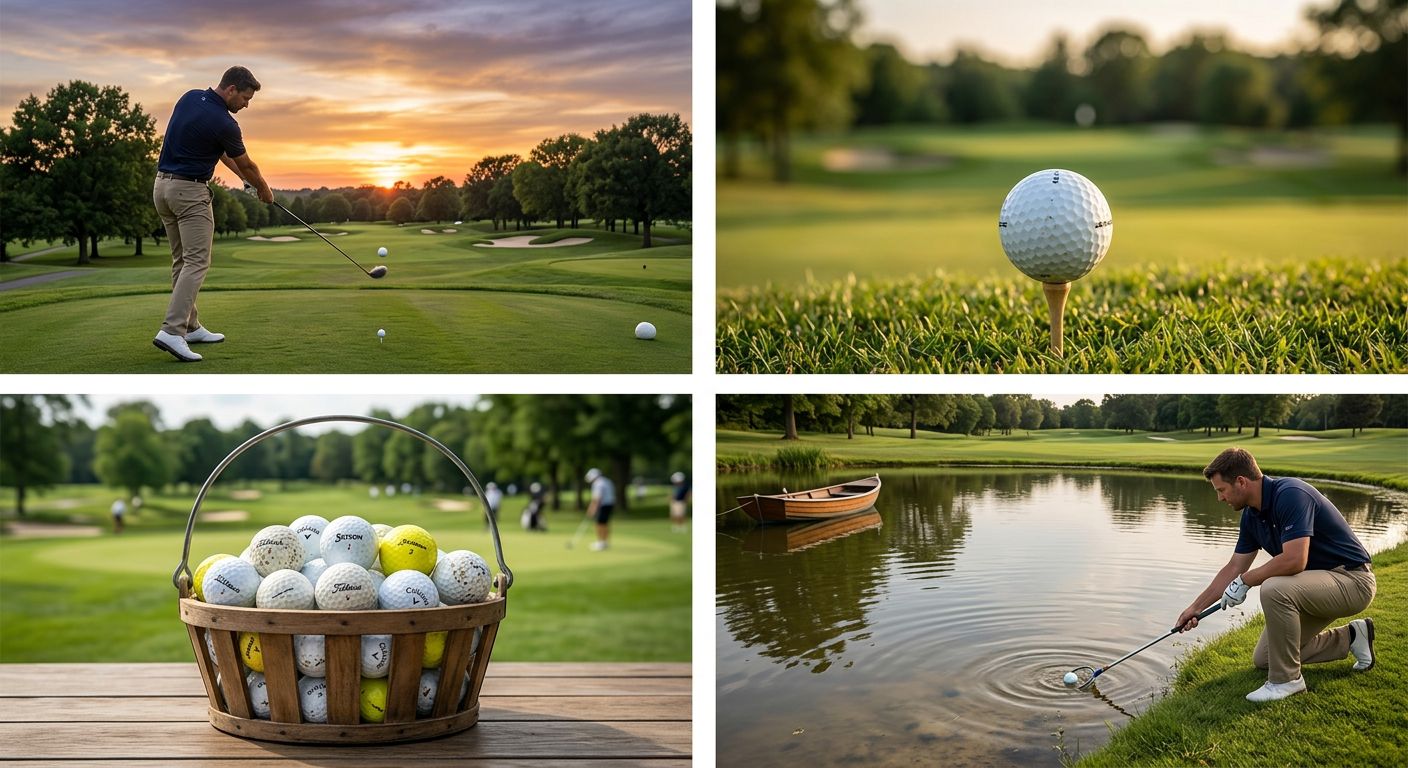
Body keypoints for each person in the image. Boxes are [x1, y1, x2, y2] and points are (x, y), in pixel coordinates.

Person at [1175, 447, 1376, 703]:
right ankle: (1352, 637)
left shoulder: (1291, 494)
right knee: (1266, 658)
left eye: (1221, 490)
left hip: (1353, 581)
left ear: (1241, 482)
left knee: (1274, 587)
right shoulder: (1251, 516)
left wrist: (1246, 581)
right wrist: (1195, 608)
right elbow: (1234, 567)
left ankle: (1287, 680)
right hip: (1315, 587)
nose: (1219, 498)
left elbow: (1294, 560)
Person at [151, 66, 274, 362]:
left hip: (162, 189)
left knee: (182, 261)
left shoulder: (190, 98)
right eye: (245, 98)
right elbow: (247, 164)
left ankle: (191, 326)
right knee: (197, 262)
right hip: (190, 194)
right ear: (231, 89)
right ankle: (172, 330)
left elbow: (220, 153)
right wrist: (263, 189)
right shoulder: (226, 123)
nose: (246, 105)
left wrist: (242, 178)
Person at [585, 468, 615, 551]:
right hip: (610, 505)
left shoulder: (598, 484)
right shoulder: (607, 481)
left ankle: (600, 543)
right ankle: (605, 542)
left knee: (599, 524)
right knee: (604, 523)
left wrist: (592, 509)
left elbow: (597, 498)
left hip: (603, 505)